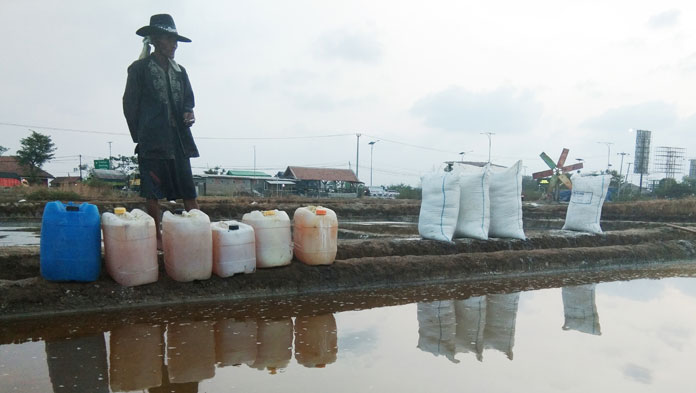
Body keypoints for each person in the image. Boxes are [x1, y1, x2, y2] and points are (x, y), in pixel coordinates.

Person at [123, 14, 200, 249]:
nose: (175, 45)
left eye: (176, 40)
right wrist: (141, 136)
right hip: (153, 141)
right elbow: (129, 105)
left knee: (188, 189)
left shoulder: (180, 72)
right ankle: (156, 238)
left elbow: (188, 101)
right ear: (156, 40)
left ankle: (198, 234)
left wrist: (188, 113)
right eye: (170, 39)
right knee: (153, 193)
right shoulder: (139, 69)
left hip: (178, 140)